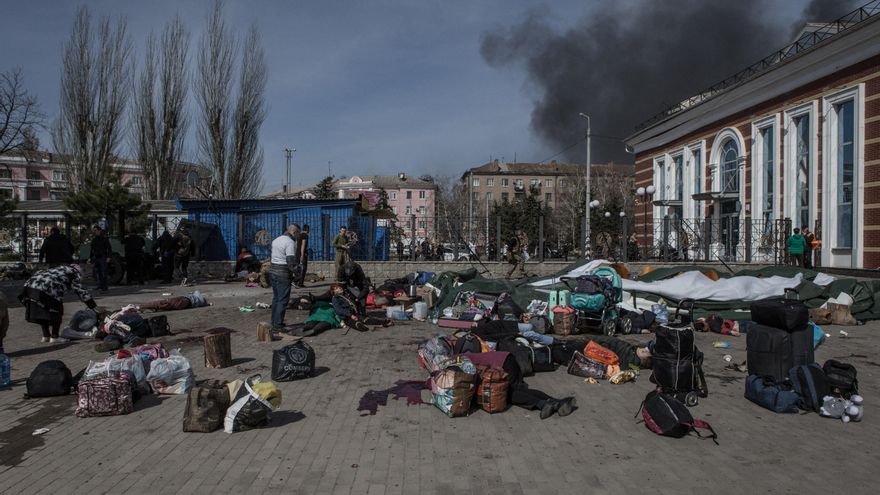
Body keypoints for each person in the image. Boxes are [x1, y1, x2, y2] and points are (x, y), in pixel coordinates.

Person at [19, 264, 98, 343]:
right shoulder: (73, 274)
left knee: (42, 312)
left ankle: (46, 336)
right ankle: (55, 337)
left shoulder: (59, 269)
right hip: (47, 288)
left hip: (30, 287)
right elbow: (81, 291)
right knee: (56, 312)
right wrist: (93, 306)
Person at [269, 224, 300, 331]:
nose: (298, 236)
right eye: (298, 234)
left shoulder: (276, 240)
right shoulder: (290, 242)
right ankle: (278, 325)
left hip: (273, 271)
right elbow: (290, 261)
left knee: (276, 298)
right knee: (282, 300)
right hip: (283, 273)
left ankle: (274, 322)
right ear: (294, 232)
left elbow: (272, 256)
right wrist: (297, 273)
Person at [89, 225, 112, 291]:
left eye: (95, 230)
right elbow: (92, 250)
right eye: (94, 231)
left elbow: (109, 248)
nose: (94, 232)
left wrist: (109, 257)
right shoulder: (94, 240)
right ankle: (100, 285)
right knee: (97, 273)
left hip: (103, 257)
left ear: (99, 231)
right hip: (96, 257)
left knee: (103, 272)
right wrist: (90, 258)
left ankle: (105, 287)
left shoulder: (104, 239)